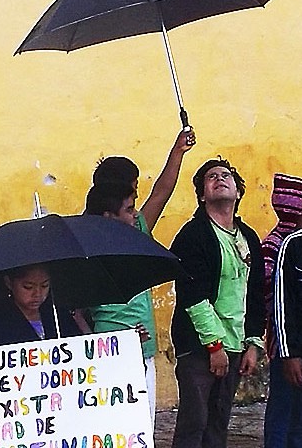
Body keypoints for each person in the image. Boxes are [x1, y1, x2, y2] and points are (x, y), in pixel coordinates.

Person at [86, 129, 195, 425]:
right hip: (108, 354)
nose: (137, 211)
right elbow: (75, 307)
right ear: (109, 212)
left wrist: (178, 151)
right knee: (112, 428)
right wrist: (101, 341)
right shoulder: (87, 247)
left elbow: (163, 191)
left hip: (143, 351)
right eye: (131, 203)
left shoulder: (137, 232)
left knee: (141, 430)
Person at [169, 157, 265, 448]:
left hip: (236, 345)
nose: (220, 179)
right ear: (202, 194)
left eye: (226, 175)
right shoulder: (193, 235)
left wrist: (253, 342)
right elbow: (192, 294)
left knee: (218, 425)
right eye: (212, 177)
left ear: (237, 192)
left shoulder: (248, 237)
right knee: (193, 424)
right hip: (200, 346)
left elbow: (255, 292)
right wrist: (214, 346)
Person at [262, 174, 302, 448]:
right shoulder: (283, 244)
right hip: (288, 344)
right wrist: (287, 351)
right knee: (290, 414)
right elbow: (279, 299)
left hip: (292, 343)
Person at [0, 263, 83, 367]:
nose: (37, 293)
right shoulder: (0, 324)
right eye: (28, 287)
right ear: (9, 283)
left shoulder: (59, 316)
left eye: (44, 286)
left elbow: (83, 355)